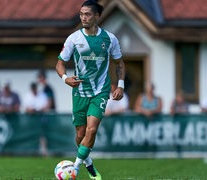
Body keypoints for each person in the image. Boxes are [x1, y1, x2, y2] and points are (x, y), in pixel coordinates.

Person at [55, 0, 125, 179]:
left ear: (97, 16)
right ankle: (89, 163)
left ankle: (75, 168)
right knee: (80, 134)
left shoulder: (109, 39)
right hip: (79, 91)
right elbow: (60, 64)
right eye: (81, 14)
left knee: (91, 130)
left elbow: (119, 63)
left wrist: (120, 85)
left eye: (87, 14)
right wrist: (65, 78)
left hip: (100, 91)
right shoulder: (74, 39)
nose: (83, 17)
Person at [23, 82, 50, 156]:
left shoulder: (42, 95)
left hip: (41, 119)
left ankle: (43, 152)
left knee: (42, 136)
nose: (34, 89)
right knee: (31, 136)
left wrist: (39, 110)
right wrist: (30, 110)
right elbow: (26, 108)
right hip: (31, 119)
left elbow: (46, 106)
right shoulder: (28, 96)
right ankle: (31, 151)